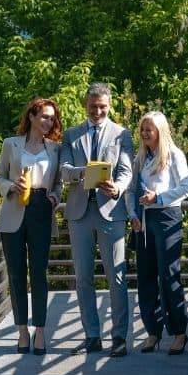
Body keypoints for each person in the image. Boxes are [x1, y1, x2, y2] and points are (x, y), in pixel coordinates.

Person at [59, 83, 134, 356]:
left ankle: (119, 337)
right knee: (83, 278)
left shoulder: (122, 134)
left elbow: (126, 170)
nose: (98, 111)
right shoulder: (71, 135)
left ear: (109, 105)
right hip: (80, 213)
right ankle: (92, 336)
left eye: (103, 106)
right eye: (93, 106)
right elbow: (64, 172)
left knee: (116, 276)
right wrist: (84, 173)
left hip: (111, 212)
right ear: (85, 105)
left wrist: (119, 187)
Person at [0, 97, 64, 355]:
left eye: (52, 118)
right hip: (14, 208)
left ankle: (40, 332)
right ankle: (22, 331)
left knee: (39, 274)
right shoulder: (10, 144)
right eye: (44, 116)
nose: (49, 122)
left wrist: (55, 197)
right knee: (16, 275)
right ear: (32, 116)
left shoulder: (55, 148)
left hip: (41, 209)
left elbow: (58, 182)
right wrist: (10, 186)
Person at [128, 110, 188, 355]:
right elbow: (131, 189)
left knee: (168, 275)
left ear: (160, 132)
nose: (144, 134)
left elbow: (186, 187)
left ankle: (179, 332)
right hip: (144, 221)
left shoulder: (175, 155)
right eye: (142, 129)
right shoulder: (140, 157)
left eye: (149, 130)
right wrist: (133, 215)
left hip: (167, 217)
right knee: (145, 277)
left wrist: (160, 197)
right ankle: (153, 332)